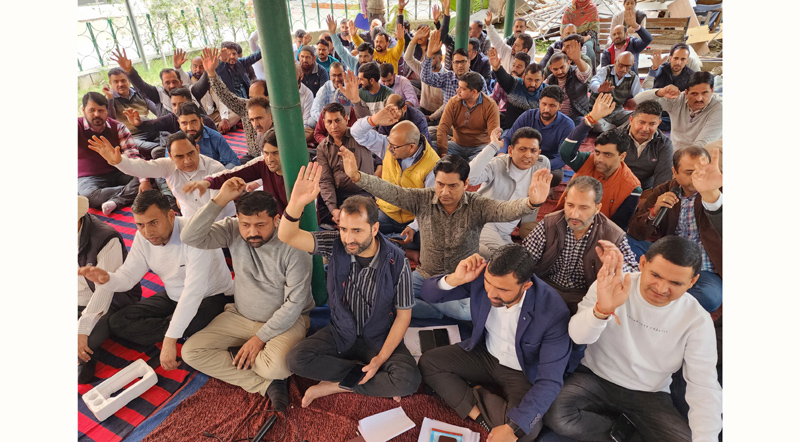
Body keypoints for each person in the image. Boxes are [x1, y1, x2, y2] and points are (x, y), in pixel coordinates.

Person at [543, 236, 722, 442]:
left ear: (692, 282)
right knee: (556, 414)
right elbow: (577, 336)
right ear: (643, 263)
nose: (661, 289)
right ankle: (627, 433)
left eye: (675, 283)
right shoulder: (612, 285)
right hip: (596, 377)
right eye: (656, 275)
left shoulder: (697, 319)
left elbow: (704, 384)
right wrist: (602, 310)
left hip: (650, 393)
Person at [340, 150, 552, 321]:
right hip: (425, 274)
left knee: (467, 313)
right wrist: (358, 176)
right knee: (384, 299)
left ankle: (429, 305)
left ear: (466, 184)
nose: (444, 192)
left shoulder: (478, 205)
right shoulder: (423, 199)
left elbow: (504, 210)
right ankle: (436, 310)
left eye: (453, 186)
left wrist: (531, 203)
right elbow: (393, 192)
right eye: (440, 184)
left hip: (461, 279)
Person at [279, 165, 421, 407]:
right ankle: (365, 378)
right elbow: (287, 235)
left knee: (409, 380)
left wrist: (380, 359)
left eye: (357, 230)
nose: (348, 238)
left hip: (378, 336)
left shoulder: (397, 260)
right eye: (344, 229)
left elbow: (403, 317)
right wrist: (296, 203)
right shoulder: (334, 243)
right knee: (296, 360)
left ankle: (334, 386)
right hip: (340, 332)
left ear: (375, 229)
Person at [180, 181, 314, 411]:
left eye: (260, 225)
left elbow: (295, 303)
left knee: (278, 366)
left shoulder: (294, 244)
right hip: (240, 316)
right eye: (246, 225)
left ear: (276, 220)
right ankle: (265, 385)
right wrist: (219, 200)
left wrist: (259, 338)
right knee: (191, 352)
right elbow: (190, 237)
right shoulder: (233, 229)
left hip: (287, 322)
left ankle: (261, 366)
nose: (252, 232)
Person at [419, 245, 571, 440]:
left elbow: (550, 381)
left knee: (525, 432)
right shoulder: (482, 279)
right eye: (489, 283)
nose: (490, 293)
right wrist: (455, 278)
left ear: (526, 286)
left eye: (502, 289)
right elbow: (428, 294)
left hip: (520, 372)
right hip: (484, 354)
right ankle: (480, 410)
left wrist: (511, 429)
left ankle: (473, 395)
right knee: (429, 363)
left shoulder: (553, 311)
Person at [77, 190, 234, 372]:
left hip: (211, 296)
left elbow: (194, 292)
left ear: (170, 215)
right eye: (140, 225)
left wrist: (169, 340)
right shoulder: (143, 237)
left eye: (153, 222)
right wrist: (107, 279)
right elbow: (128, 276)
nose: (148, 232)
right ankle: (181, 328)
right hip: (173, 294)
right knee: (118, 322)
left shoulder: (194, 235)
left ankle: (180, 328)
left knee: (195, 316)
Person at [523, 176, 638, 314]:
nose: (574, 214)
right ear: (564, 202)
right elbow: (524, 259)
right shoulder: (550, 223)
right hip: (546, 287)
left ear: (597, 208)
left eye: (583, 207)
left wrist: (616, 264)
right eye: (570, 205)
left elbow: (632, 275)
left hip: (585, 296)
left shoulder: (612, 235)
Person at [627, 147, 722, 313]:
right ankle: (671, 298)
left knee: (710, 298)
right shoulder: (664, 190)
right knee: (624, 240)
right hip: (667, 256)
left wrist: (712, 195)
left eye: (701, 171)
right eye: (689, 172)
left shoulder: (717, 190)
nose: (696, 177)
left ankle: (651, 298)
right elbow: (635, 232)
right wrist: (653, 212)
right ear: (674, 172)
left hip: (704, 267)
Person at [87, 131, 236, 220]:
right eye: (180, 156)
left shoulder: (215, 169)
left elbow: (217, 209)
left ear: (197, 149)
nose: (187, 160)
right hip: (190, 220)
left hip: (221, 221)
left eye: (191, 153)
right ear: (170, 156)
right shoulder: (168, 165)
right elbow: (141, 168)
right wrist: (118, 161)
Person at [350, 109, 439, 250]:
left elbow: (430, 204)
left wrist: (413, 227)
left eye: (394, 146)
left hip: (413, 219)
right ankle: (397, 244)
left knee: (429, 242)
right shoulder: (389, 146)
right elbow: (356, 133)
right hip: (387, 212)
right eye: (389, 143)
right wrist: (373, 120)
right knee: (358, 229)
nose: (389, 148)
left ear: (411, 147)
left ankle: (383, 243)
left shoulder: (433, 164)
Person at [77, 195, 141, 383]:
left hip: (113, 299)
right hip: (78, 299)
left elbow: (105, 291)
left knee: (85, 339)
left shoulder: (105, 238)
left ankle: (85, 355)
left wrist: (82, 329)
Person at [557, 94, 643, 230]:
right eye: (597, 152)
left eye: (608, 154)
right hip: (564, 224)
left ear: (622, 156)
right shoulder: (588, 161)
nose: (599, 159)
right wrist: (591, 119)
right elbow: (566, 152)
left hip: (599, 233)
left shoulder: (632, 188)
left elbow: (618, 227)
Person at [469, 128, 551, 257]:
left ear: (538, 152)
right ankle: (466, 245)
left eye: (533, 150)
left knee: (523, 258)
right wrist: (493, 146)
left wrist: (527, 225)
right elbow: (470, 178)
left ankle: (470, 246)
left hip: (506, 232)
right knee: (503, 259)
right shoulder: (498, 164)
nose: (528, 155)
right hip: (483, 222)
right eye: (522, 149)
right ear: (510, 151)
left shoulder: (542, 163)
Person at [182, 129, 289, 215]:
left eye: (275, 153)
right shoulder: (262, 164)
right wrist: (207, 182)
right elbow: (231, 173)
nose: (270, 159)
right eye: (266, 153)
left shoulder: (301, 169)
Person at [78, 92, 145, 215]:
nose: (97, 114)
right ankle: (131, 193)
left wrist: (144, 180)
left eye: (101, 110)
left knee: (146, 175)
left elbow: (133, 156)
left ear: (107, 110)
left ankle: (116, 201)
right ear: (83, 110)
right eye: (91, 110)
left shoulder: (118, 127)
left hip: (118, 171)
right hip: (89, 177)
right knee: (88, 196)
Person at [502, 85, 575, 191]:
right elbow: (508, 138)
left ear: (560, 106)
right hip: (523, 156)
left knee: (557, 176)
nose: (546, 109)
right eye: (544, 104)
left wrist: (536, 165)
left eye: (552, 106)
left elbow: (563, 157)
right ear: (539, 101)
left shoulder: (567, 125)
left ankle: (523, 181)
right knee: (500, 164)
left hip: (548, 162)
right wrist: (501, 155)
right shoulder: (527, 116)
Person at [199, 48, 267, 158]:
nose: (253, 102)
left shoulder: (276, 111)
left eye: (258, 98)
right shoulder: (246, 107)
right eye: (251, 98)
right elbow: (225, 96)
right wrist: (211, 73)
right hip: (252, 158)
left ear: (268, 97)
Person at [316, 102, 376, 225]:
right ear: (324, 123)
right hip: (338, 195)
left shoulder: (359, 136)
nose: (334, 126)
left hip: (363, 192)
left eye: (337, 120)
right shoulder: (323, 147)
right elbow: (325, 180)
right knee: (315, 209)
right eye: (329, 122)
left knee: (359, 217)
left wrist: (357, 100)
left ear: (346, 119)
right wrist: (333, 210)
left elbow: (368, 124)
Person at [634, 72, 722, 150]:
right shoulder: (677, 99)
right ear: (686, 92)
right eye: (694, 94)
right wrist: (660, 92)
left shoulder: (719, 109)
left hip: (704, 155)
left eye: (704, 93)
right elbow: (638, 101)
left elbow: (702, 144)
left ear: (712, 91)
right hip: (676, 152)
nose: (699, 99)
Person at [103, 59, 164, 156]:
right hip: (133, 136)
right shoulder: (108, 99)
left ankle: (164, 148)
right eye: (116, 82)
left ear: (129, 81)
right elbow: (110, 121)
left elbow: (157, 111)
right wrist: (110, 99)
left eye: (123, 80)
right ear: (110, 83)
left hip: (150, 129)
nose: (120, 84)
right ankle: (163, 149)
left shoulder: (139, 93)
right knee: (155, 147)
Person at [420, 30, 490, 114]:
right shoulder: (447, 77)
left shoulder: (479, 79)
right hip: (449, 122)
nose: (460, 65)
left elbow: (487, 104)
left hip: (472, 122)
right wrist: (429, 54)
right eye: (456, 62)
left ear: (469, 62)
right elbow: (425, 78)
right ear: (452, 64)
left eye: (463, 62)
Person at [437, 72, 500, 161]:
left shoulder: (490, 105)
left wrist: (486, 154)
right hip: (456, 145)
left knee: (483, 161)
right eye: (458, 87)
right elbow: (443, 128)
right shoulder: (453, 102)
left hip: (480, 147)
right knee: (431, 148)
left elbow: (493, 135)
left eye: (462, 89)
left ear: (474, 92)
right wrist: (443, 153)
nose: (457, 90)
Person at [615, 100, 674, 190]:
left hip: (644, 191)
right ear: (631, 120)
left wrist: (651, 199)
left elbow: (663, 179)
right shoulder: (614, 137)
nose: (645, 129)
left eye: (652, 124)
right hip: (614, 188)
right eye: (641, 122)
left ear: (658, 124)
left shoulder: (664, 144)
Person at [113, 48, 188, 114]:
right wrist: (129, 71)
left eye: (174, 82)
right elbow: (142, 86)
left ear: (181, 82)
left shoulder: (190, 91)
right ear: (162, 84)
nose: (172, 86)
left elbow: (200, 85)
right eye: (167, 83)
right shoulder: (158, 95)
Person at [488, 47, 544, 131]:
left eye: (537, 80)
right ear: (524, 77)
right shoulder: (515, 84)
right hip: (510, 131)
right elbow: (504, 78)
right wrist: (497, 67)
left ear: (543, 79)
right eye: (529, 80)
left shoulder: (546, 92)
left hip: (534, 134)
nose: (532, 84)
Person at [173, 103, 240, 169]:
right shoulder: (174, 143)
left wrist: (217, 176)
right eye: (184, 123)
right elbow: (171, 167)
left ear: (201, 121)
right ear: (179, 123)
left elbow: (234, 161)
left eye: (194, 122)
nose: (189, 128)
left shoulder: (215, 137)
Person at [588, 51, 642, 132]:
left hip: (617, 112)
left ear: (632, 65)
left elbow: (639, 96)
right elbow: (593, 83)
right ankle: (619, 130)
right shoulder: (605, 71)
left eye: (628, 67)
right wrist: (599, 88)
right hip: (598, 113)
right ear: (615, 62)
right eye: (621, 65)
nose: (624, 69)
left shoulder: (633, 77)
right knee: (596, 125)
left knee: (637, 117)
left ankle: (613, 130)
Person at [403, 26, 444, 119]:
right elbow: (407, 58)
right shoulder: (423, 68)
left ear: (440, 59)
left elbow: (446, 105)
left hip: (438, 115)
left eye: (432, 58)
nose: (428, 61)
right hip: (422, 109)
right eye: (427, 57)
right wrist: (414, 40)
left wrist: (431, 117)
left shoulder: (446, 75)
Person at [544, 51, 592, 126]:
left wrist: (578, 59)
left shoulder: (576, 73)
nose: (559, 72)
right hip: (556, 116)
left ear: (568, 64)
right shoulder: (550, 79)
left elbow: (586, 73)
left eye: (562, 67)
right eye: (555, 69)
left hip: (576, 115)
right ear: (551, 69)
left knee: (581, 123)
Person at [491, 52, 531, 128]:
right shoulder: (503, 81)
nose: (514, 69)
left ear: (526, 69)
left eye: (519, 67)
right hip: (501, 116)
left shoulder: (528, 86)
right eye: (513, 65)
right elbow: (493, 101)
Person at [186, 55, 228, 126]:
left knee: (235, 113)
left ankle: (217, 126)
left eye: (201, 67)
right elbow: (180, 75)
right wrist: (177, 67)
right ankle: (217, 127)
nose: (198, 70)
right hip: (199, 117)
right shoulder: (188, 79)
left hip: (214, 114)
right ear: (190, 67)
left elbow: (220, 100)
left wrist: (224, 119)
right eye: (195, 66)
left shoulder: (211, 78)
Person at [561, 0, 600, 69]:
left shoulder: (592, 8)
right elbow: (563, 29)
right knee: (560, 46)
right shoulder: (569, 9)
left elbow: (594, 29)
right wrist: (570, 37)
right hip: (570, 36)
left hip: (587, 36)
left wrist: (586, 38)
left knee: (588, 47)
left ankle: (590, 71)